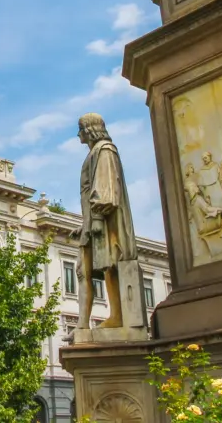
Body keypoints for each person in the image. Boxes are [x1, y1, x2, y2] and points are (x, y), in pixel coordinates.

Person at [74, 113, 139, 327]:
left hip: (102, 222)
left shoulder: (104, 150)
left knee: (109, 264)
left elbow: (104, 190)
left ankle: (117, 317)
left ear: (90, 129)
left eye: (81, 129)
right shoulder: (96, 152)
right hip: (95, 221)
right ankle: (96, 322)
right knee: (94, 268)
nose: (78, 134)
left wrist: (95, 221)